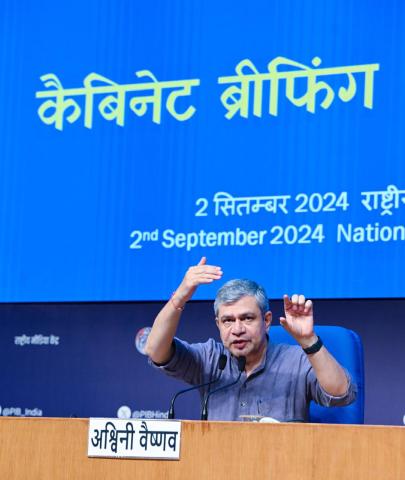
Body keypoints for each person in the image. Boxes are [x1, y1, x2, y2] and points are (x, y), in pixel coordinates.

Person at [145, 257, 357, 421]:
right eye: (228, 320)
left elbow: (342, 393)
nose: (237, 329)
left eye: (247, 318)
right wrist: (180, 297)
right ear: (218, 324)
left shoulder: (295, 361)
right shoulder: (210, 359)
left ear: (266, 320)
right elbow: (155, 350)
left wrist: (309, 340)